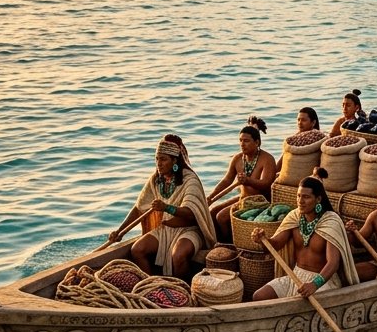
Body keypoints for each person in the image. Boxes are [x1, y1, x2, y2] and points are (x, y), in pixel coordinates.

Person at [109, 133, 215, 277]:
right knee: (137, 250)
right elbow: (139, 208)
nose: (158, 163)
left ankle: (182, 289)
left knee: (178, 255)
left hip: (189, 230)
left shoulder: (190, 180)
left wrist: (166, 207)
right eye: (157, 159)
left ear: (174, 161)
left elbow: (190, 213)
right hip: (165, 230)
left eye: (163, 159)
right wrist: (120, 232)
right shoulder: (155, 179)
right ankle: (152, 285)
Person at [251, 173, 359, 299]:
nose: (300, 201)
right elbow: (274, 246)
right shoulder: (294, 217)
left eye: (306, 197)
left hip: (323, 281)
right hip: (295, 276)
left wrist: (314, 284)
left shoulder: (331, 221)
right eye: (298, 196)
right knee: (259, 296)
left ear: (318, 199)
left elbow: (333, 263)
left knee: (297, 304)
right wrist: (263, 240)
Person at [206, 116, 278, 243]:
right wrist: (210, 198)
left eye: (246, 141)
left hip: (260, 202)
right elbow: (226, 181)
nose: (242, 144)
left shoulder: (267, 159)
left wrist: (248, 180)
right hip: (243, 199)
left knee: (221, 217)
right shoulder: (238, 159)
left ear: (257, 143)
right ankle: (218, 243)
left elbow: (266, 183)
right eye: (240, 140)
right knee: (212, 212)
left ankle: (231, 244)